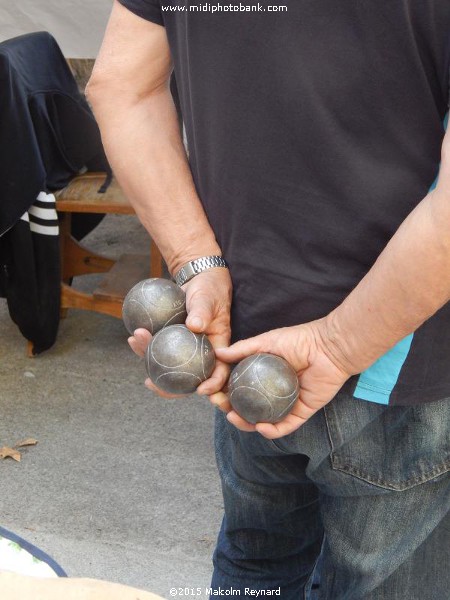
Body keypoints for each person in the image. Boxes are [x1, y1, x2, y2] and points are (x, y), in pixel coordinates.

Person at [87, 1, 450, 597]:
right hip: (383, 360)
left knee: (258, 569)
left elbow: (120, 86)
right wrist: (334, 344)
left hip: (244, 339)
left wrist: (196, 264)